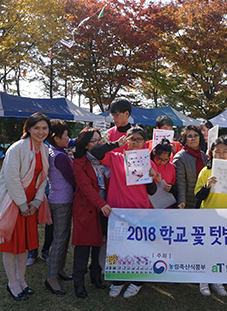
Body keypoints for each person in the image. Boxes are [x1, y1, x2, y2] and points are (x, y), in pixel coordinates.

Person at [91, 126, 157, 299]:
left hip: (140, 211)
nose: (135, 142)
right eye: (131, 139)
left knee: (139, 247)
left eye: (139, 139)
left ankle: (138, 281)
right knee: (118, 247)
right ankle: (118, 280)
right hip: (118, 210)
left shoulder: (148, 161)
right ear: (126, 140)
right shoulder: (116, 157)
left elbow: (152, 191)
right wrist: (115, 144)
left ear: (145, 142)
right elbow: (95, 151)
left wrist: (151, 177)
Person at [0, 113, 51, 301]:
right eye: (37, 128)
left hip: (30, 204)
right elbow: (12, 180)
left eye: (44, 128)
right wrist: (23, 204)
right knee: (11, 246)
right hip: (14, 203)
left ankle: (22, 280)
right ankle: (12, 283)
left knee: (25, 244)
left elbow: (43, 179)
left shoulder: (43, 149)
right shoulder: (17, 148)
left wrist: (36, 202)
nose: (41, 132)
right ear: (29, 129)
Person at [194, 137, 227, 296]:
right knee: (206, 248)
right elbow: (198, 195)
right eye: (217, 151)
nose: (221, 155)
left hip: (226, 215)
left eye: (225, 152)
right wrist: (207, 185)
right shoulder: (205, 171)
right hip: (207, 214)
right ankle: (203, 280)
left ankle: (217, 280)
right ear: (211, 153)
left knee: (220, 248)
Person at [71, 128, 111, 298]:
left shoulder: (104, 159)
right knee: (83, 246)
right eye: (94, 141)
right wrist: (101, 203)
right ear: (85, 144)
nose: (98, 143)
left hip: (104, 206)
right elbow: (86, 188)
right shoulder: (79, 162)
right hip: (87, 207)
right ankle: (78, 282)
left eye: (99, 140)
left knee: (98, 243)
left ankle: (95, 275)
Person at [45, 119, 75, 295]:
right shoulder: (61, 156)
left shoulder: (55, 151)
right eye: (65, 135)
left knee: (63, 237)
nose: (68, 138)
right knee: (59, 240)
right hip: (62, 201)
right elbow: (72, 179)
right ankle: (51, 278)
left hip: (60, 199)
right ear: (56, 138)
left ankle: (59, 270)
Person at [173, 125, 208, 209]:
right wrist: (182, 201)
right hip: (188, 202)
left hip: (203, 200)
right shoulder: (180, 157)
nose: (193, 138)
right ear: (184, 139)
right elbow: (180, 182)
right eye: (189, 136)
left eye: (196, 135)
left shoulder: (203, 156)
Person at [151, 139, 178, 207]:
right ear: (154, 152)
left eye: (166, 160)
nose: (162, 162)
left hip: (166, 205)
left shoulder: (171, 167)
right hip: (149, 206)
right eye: (159, 159)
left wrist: (172, 188)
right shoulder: (149, 165)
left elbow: (176, 184)